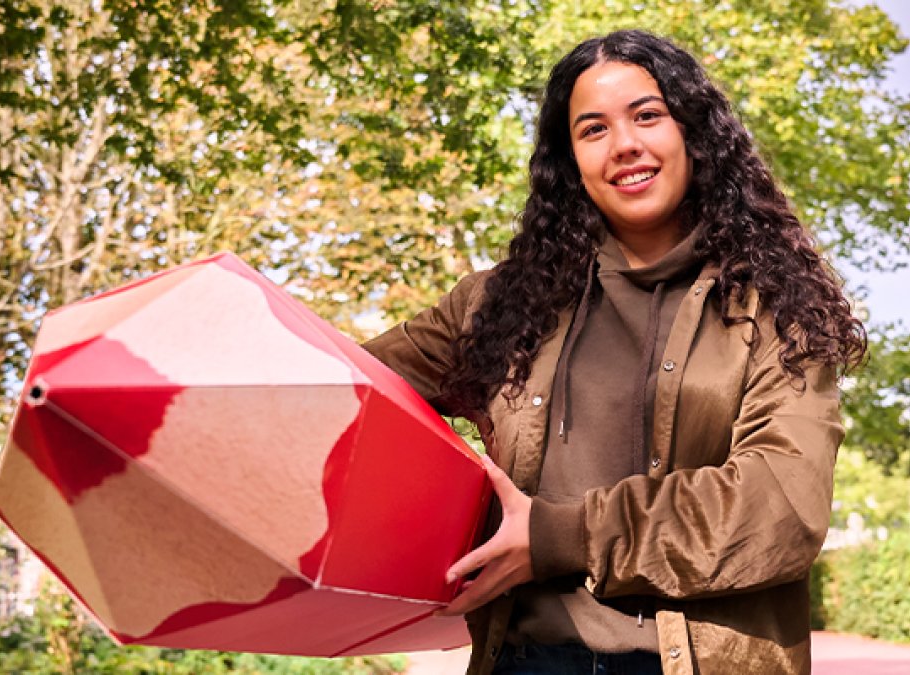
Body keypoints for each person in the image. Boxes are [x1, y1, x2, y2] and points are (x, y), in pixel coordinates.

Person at [363, 29, 866, 675]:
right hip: (525, 661)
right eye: (593, 129)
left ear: (693, 133)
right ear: (570, 160)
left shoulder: (773, 306)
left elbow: (780, 509)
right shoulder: (496, 303)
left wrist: (556, 536)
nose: (624, 143)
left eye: (647, 115)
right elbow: (348, 391)